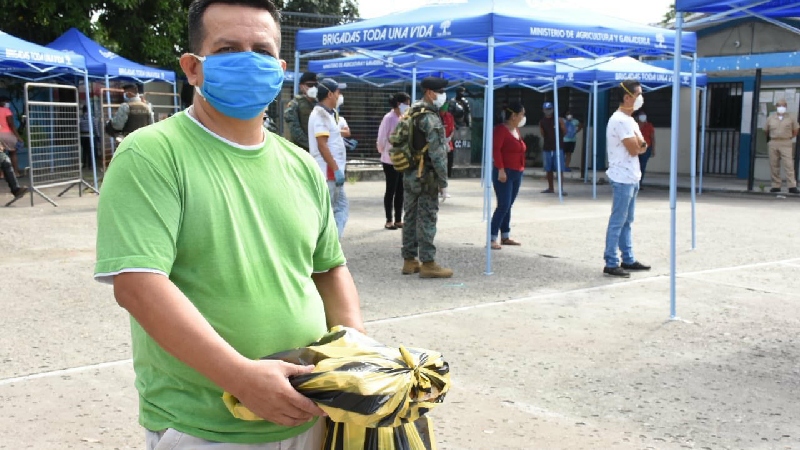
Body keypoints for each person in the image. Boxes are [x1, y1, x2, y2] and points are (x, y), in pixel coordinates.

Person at [94, 1, 364, 448]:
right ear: (193, 68)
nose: (248, 60)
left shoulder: (299, 165)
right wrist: (241, 377)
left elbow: (329, 268)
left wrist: (354, 349)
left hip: (312, 412)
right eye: (227, 48)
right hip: (207, 427)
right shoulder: (151, 155)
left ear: (279, 68)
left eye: (260, 50)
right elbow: (139, 284)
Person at [401, 77, 453, 279]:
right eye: (440, 92)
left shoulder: (411, 111)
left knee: (410, 217)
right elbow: (438, 154)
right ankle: (428, 263)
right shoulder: (430, 117)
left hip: (409, 172)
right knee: (427, 218)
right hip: (426, 176)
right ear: (430, 93)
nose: (443, 96)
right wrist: (443, 182)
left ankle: (409, 260)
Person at [603, 80, 651, 278]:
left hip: (632, 176)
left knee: (627, 220)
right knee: (618, 220)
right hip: (622, 177)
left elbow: (643, 144)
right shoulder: (620, 120)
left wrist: (640, 146)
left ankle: (628, 258)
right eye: (638, 94)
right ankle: (611, 261)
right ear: (627, 97)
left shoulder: (630, 120)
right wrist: (640, 146)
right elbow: (635, 149)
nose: (641, 98)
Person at [309, 78, 349, 239]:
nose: (340, 96)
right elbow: (322, 145)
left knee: (340, 208)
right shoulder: (320, 115)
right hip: (329, 172)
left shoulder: (329, 114)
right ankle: (329, 247)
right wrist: (336, 169)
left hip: (332, 172)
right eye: (339, 92)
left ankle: (331, 246)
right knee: (331, 211)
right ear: (330, 94)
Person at [490, 101, 527, 250]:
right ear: (514, 116)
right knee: (503, 205)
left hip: (517, 171)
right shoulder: (501, 130)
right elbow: (496, 150)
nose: (523, 117)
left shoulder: (516, 130)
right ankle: (492, 237)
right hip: (505, 172)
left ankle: (505, 235)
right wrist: (500, 169)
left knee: (508, 205)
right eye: (521, 114)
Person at [376, 92, 410, 230]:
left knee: (401, 190)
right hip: (389, 159)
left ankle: (398, 219)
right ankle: (389, 219)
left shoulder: (403, 117)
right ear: (398, 104)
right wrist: (384, 151)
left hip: (402, 159)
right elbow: (382, 137)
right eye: (406, 103)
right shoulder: (389, 118)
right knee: (391, 189)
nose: (408, 106)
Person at [764, 99, 800, 194]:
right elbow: (766, 130)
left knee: (789, 165)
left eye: (783, 106)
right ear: (776, 107)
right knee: (774, 165)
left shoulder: (791, 118)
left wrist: (788, 137)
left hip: (786, 142)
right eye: (779, 106)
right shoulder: (771, 118)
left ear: (786, 107)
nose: (781, 108)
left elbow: (796, 130)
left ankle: (792, 186)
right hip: (773, 142)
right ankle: (776, 186)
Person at [284, 72, 317, 151]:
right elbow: (295, 131)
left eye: (315, 85)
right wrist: (311, 146)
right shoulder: (295, 104)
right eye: (310, 85)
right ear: (301, 87)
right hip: (301, 149)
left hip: (318, 149)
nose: (313, 88)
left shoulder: (319, 104)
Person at [539, 102, 567, 194]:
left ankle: (561, 189)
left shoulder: (558, 120)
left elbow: (564, 131)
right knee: (548, 169)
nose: (548, 111)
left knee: (560, 169)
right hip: (547, 147)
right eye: (546, 109)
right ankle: (551, 188)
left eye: (550, 109)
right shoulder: (542, 122)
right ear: (543, 110)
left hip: (558, 147)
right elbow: (542, 134)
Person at [0, 96, 23, 176]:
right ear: (2, 102)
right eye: (6, 101)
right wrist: (18, 137)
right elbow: (11, 125)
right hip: (7, 134)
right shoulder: (6, 110)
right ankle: (16, 172)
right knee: (13, 153)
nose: (7, 103)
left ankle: (1, 174)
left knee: (1, 154)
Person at [636, 111, 655, 185]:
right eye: (641, 115)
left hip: (646, 148)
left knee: (642, 166)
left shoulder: (649, 126)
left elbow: (652, 138)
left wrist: (653, 149)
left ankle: (639, 183)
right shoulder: (635, 125)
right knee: (635, 166)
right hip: (636, 147)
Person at [440, 100, 456, 183]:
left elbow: (453, 128)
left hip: (448, 142)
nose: (443, 112)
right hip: (438, 143)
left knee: (449, 161)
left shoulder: (449, 116)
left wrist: (449, 138)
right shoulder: (436, 116)